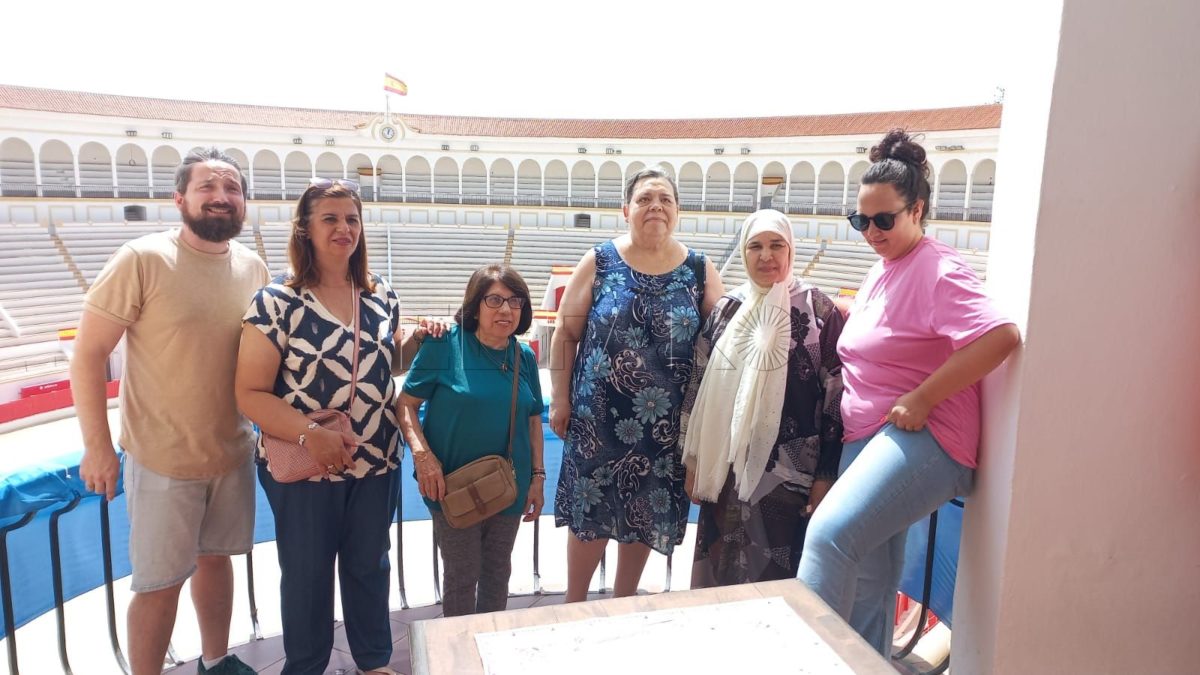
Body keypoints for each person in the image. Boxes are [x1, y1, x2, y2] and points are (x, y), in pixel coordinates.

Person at [797, 129, 1021, 656]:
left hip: (923, 436)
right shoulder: (883, 269)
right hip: (869, 435)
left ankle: (800, 658)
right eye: (860, 221)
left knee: (828, 537)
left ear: (917, 209)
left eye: (883, 219)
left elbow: (1001, 336)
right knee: (873, 581)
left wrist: (923, 397)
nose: (871, 231)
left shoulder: (938, 268)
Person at [71, 147, 267, 675]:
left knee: (216, 559)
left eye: (232, 188)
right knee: (158, 585)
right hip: (160, 457)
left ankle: (215, 660)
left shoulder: (253, 267)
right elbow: (88, 356)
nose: (222, 197)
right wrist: (97, 447)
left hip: (231, 453)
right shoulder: (141, 258)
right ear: (180, 198)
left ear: (244, 202)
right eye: (208, 187)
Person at [236, 178, 432, 675]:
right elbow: (250, 392)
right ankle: (304, 666)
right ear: (305, 228)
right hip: (305, 464)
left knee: (370, 566)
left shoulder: (381, 293)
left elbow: (378, 363)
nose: (344, 228)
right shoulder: (276, 301)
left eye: (351, 218)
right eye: (330, 218)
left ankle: (373, 661)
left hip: (374, 459)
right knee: (306, 575)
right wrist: (310, 434)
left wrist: (418, 340)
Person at [550, 167, 724, 602]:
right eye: (646, 199)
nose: (656, 207)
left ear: (678, 212)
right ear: (626, 210)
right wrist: (559, 399)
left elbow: (723, 345)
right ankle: (574, 603)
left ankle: (623, 601)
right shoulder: (600, 260)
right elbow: (565, 334)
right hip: (597, 422)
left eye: (665, 199)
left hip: (663, 431)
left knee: (645, 514)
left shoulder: (700, 270)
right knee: (590, 515)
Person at [679, 209, 844, 588]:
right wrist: (693, 462)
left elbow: (837, 398)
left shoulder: (818, 311)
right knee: (720, 578)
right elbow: (698, 384)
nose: (766, 256)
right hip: (725, 473)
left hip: (789, 479)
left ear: (791, 250)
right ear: (743, 252)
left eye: (776, 245)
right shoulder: (727, 309)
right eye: (755, 246)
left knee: (775, 582)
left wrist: (825, 477)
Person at [397, 264, 544, 617]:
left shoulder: (524, 356)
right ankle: (458, 654)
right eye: (494, 300)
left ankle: (489, 647)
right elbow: (406, 404)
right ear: (475, 305)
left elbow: (533, 419)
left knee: (497, 574)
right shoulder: (444, 345)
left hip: (508, 486)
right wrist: (423, 457)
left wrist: (537, 477)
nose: (506, 310)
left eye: (515, 301)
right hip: (452, 486)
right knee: (461, 576)